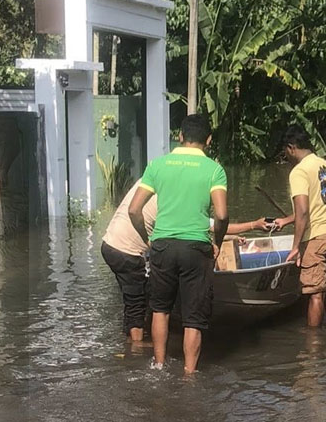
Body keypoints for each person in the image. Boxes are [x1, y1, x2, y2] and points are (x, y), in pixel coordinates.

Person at [104, 181, 273, 343]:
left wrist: (230, 237)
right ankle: (137, 347)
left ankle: (132, 339)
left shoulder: (153, 182)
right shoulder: (176, 196)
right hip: (127, 251)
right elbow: (212, 225)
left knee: (137, 298)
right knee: (137, 303)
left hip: (110, 244)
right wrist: (254, 224)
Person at [128, 114, 228, 374]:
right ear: (208, 140)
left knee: (160, 309)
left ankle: (159, 365)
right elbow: (221, 214)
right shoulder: (214, 170)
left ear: (180, 137)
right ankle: (189, 374)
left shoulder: (158, 165)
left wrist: (148, 240)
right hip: (196, 247)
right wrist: (216, 240)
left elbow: (134, 209)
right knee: (194, 317)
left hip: (163, 245)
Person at [273, 125, 326, 326]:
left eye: (285, 152)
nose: (285, 156)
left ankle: (312, 350)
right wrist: (287, 220)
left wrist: (296, 246)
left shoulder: (299, 171)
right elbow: (317, 203)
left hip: (316, 237)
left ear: (291, 147)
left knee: (315, 293)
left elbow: (303, 210)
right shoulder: (322, 164)